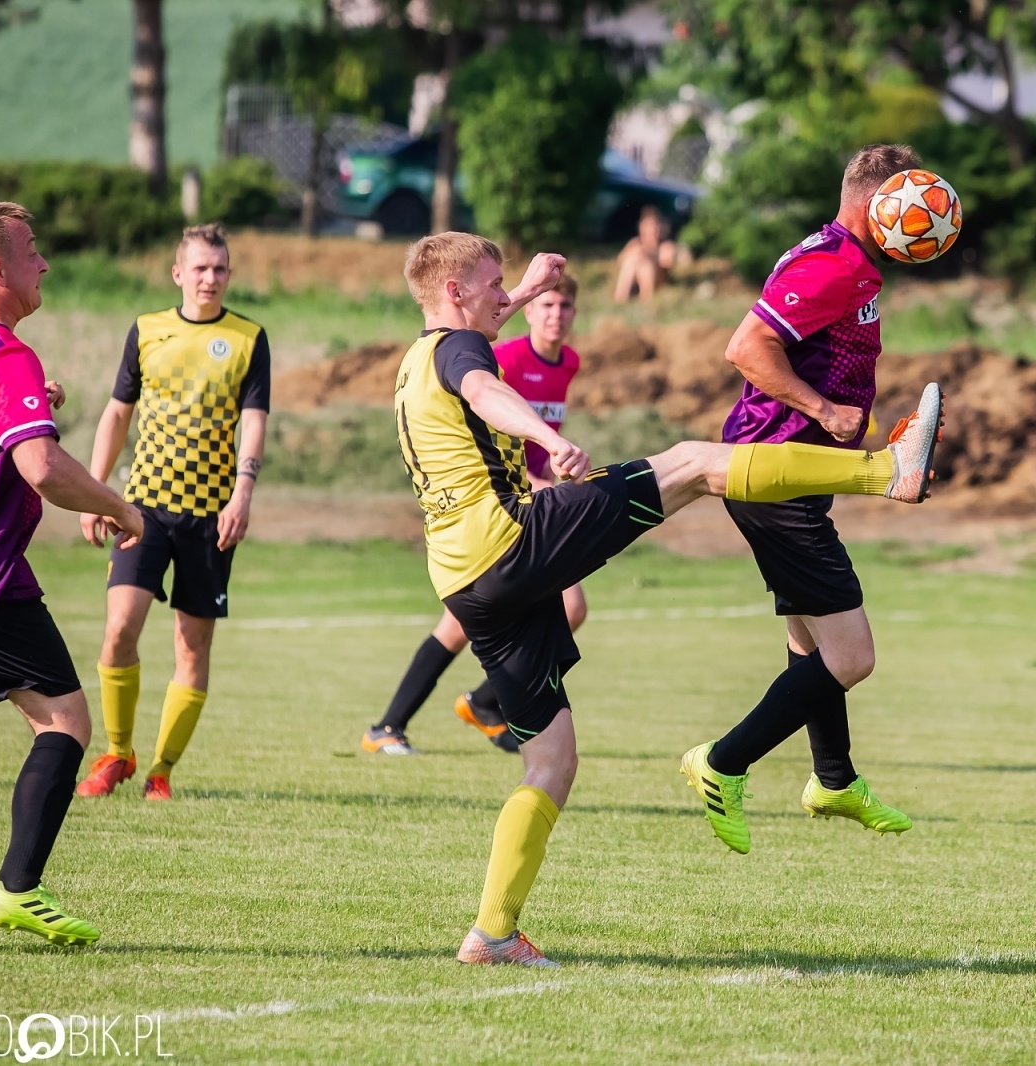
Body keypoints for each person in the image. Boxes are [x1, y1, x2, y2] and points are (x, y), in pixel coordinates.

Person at [392, 230, 942, 966]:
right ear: (456, 293)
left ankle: (491, 934)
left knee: (551, 762)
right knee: (693, 464)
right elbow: (484, 387)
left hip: (466, 579)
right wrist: (543, 437)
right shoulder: (461, 355)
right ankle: (887, 472)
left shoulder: (415, 357)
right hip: (512, 539)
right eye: (493, 286)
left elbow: (467, 336)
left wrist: (521, 288)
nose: (507, 299)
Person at [680, 144, 929, 857]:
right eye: (908, 199)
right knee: (851, 656)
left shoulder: (847, 257)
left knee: (806, 639)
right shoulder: (836, 263)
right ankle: (722, 762)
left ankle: (834, 777)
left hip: (796, 477)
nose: (918, 216)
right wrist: (824, 410)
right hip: (774, 472)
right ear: (878, 200)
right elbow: (747, 346)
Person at [0, 202, 146, 950]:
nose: (43, 264)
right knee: (67, 721)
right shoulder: (3, 353)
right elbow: (42, 470)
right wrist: (119, 505)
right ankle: (18, 889)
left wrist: (17, 415)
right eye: (32, 252)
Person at [74, 224, 270, 802]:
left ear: (229, 275)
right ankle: (117, 752)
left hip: (211, 517)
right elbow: (116, 414)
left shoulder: (248, 337)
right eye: (201, 268)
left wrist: (243, 492)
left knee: (192, 646)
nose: (211, 278)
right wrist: (94, 490)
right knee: (118, 632)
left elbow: (254, 419)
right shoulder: (148, 330)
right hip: (144, 511)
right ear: (178, 274)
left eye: (221, 269)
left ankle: (160, 769)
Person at [362, 273, 586, 757]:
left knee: (472, 624)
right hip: (492, 509)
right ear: (527, 313)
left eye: (565, 306)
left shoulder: (568, 363)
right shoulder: (501, 354)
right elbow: (480, 405)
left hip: (524, 506)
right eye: (545, 305)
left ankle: (455, 710)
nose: (555, 314)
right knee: (563, 609)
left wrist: (547, 469)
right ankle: (455, 710)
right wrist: (537, 479)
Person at [612, 205, 678, 303]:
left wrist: (651, 256)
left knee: (645, 265)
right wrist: (638, 253)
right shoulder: (635, 243)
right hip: (634, 281)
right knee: (632, 261)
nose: (652, 230)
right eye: (648, 226)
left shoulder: (665, 245)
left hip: (658, 282)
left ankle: (645, 299)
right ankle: (621, 298)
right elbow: (620, 260)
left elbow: (668, 262)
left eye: (654, 226)